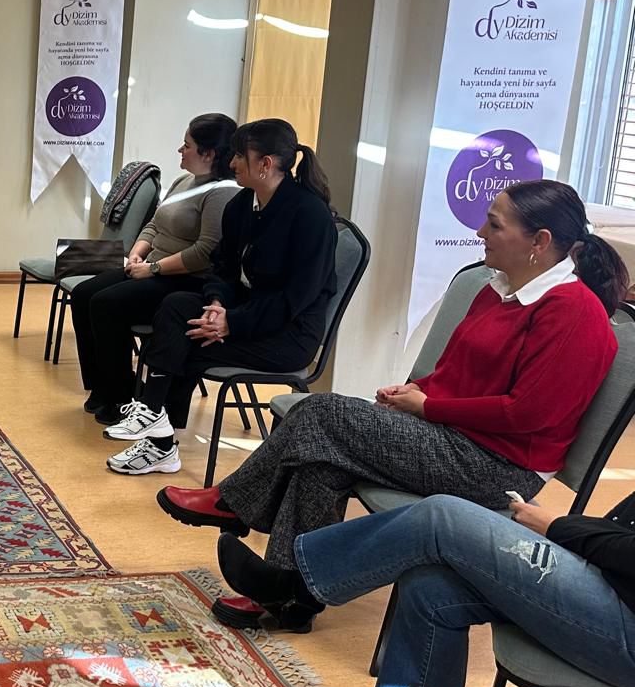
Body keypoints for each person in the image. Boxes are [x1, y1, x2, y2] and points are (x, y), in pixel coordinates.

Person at [160, 179, 624, 633]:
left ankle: (235, 504)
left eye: (495, 225)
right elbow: (455, 372)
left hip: (501, 467)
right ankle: (289, 597)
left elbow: (527, 414)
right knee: (320, 459)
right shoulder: (496, 289)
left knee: (321, 414)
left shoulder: (574, 312)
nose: (481, 231)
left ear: (539, 241)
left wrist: (428, 408)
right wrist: (413, 393)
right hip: (458, 438)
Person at [216, 492, 635, 687]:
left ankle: (295, 589)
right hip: (609, 582)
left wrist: (559, 528)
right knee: (430, 587)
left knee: (441, 517)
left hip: (625, 621)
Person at [105, 118, 337, 476]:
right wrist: (216, 304)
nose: (232, 163)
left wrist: (233, 323)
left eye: (240, 156)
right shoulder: (242, 204)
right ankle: (155, 422)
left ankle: (158, 436)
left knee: (187, 343)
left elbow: (296, 299)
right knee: (178, 306)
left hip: (289, 334)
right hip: (243, 311)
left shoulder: (310, 216)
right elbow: (223, 267)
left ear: (265, 164)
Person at [70, 113, 239, 432]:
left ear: (208, 153)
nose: (180, 150)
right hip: (152, 268)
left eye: (187, 145)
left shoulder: (223, 192)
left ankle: (121, 395)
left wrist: (154, 268)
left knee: (107, 304)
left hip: (184, 279)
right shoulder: (183, 182)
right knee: (82, 294)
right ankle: (102, 386)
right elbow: (154, 224)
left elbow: (204, 252)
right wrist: (137, 253)